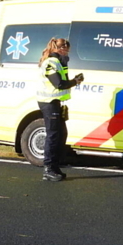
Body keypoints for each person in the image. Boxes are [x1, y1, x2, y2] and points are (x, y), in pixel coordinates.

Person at [36, 37, 84, 182]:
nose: (67, 53)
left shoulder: (58, 62)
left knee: (61, 134)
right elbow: (59, 84)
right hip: (48, 102)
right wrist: (75, 82)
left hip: (56, 102)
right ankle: (48, 169)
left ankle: (55, 167)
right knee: (53, 135)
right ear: (59, 48)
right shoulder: (51, 62)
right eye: (66, 50)